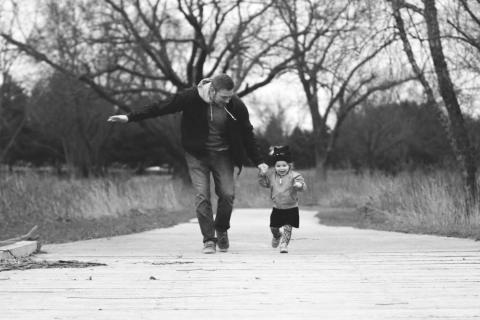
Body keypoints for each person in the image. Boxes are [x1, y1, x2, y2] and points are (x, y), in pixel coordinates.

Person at [107, 74, 269, 254]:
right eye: (224, 97)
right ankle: (209, 239)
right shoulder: (191, 97)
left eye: (230, 96)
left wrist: (259, 161)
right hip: (197, 155)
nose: (227, 100)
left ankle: (221, 229)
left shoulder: (235, 105)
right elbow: (161, 107)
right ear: (213, 90)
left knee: (227, 195)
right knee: (202, 196)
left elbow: (247, 134)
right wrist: (130, 117)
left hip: (223, 155)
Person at [258, 145, 306, 253]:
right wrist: (261, 175)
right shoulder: (271, 177)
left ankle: (284, 244)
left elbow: (302, 185)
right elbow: (264, 183)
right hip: (277, 208)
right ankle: (276, 235)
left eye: (284, 165)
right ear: (274, 167)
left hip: (291, 207)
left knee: (288, 228)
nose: (281, 168)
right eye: (278, 166)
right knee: (273, 227)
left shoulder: (294, 176)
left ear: (289, 165)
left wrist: (299, 185)